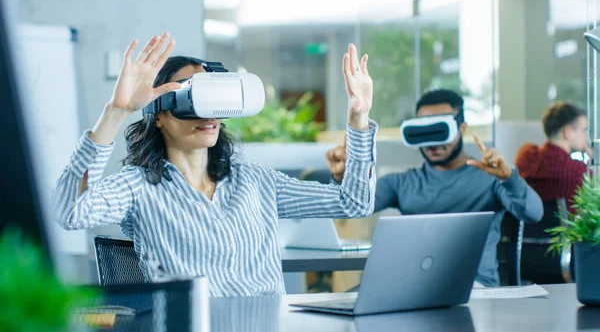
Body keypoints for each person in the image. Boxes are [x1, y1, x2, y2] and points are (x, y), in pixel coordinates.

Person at [52, 32, 378, 297]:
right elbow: (70, 211)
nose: (208, 114)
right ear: (160, 115)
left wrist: (358, 116)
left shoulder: (254, 182)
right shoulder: (137, 188)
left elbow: (354, 202)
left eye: (215, 99)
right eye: (194, 99)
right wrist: (117, 111)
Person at [326, 89, 543, 287]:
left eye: (440, 129)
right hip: (412, 284)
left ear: (462, 128)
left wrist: (509, 178)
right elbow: (347, 207)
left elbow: (534, 213)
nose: (433, 143)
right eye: (425, 131)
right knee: (346, 304)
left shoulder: (491, 179)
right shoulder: (402, 183)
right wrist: (342, 176)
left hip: (474, 287)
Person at [515, 101, 589, 211]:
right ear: (568, 132)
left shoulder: (526, 158)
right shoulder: (579, 172)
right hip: (566, 228)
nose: (586, 136)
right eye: (584, 130)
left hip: (526, 228)